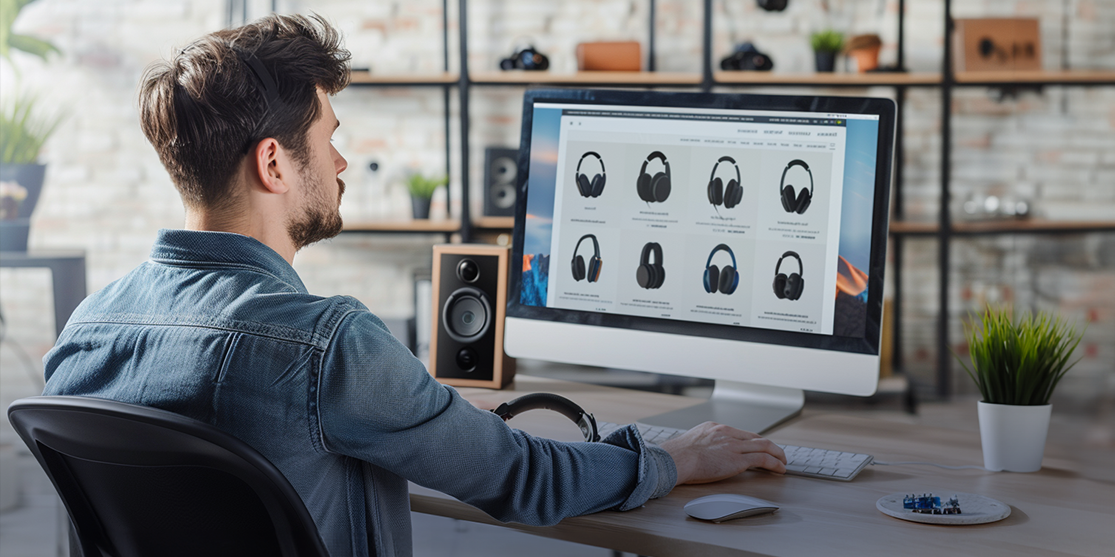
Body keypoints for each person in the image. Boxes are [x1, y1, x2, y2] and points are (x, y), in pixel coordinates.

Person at [42, 14, 786, 557]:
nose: (339, 163)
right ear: (273, 163)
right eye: (329, 137)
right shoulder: (328, 347)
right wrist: (674, 456)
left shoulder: (83, 334)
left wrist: (419, 408)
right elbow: (526, 477)